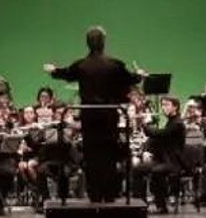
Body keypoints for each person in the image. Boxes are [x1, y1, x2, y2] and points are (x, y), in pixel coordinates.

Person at [44, 26, 143, 203]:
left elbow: (66, 74)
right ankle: (110, 194)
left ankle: (95, 194)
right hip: (109, 115)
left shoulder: (81, 65)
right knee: (109, 155)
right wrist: (140, 75)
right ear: (104, 43)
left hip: (89, 117)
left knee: (92, 156)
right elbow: (130, 79)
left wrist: (53, 70)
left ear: (87, 43)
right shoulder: (115, 64)